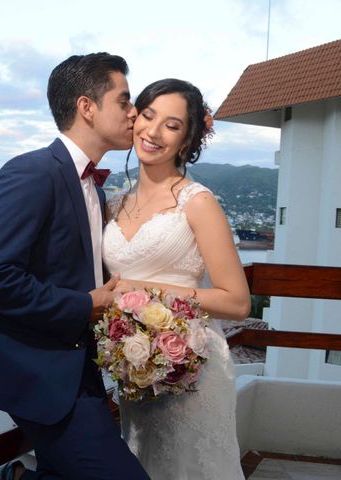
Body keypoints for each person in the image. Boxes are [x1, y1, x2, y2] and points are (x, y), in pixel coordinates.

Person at [0, 53, 149, 480]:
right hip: (40, 375)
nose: (134, 113)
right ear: (87, 107)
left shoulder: (93, 189)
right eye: (124, 101)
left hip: (80, 369)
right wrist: (83, 305)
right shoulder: (30, 173)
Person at [102, 78, 251, 479]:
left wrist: (145, 291)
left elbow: (238, 301)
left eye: (171, 125)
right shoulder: (113, 205)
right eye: (148, 116)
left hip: (194, 369)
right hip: (136, 370)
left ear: (187, 140)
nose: (152, 131)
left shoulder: (197, 202)